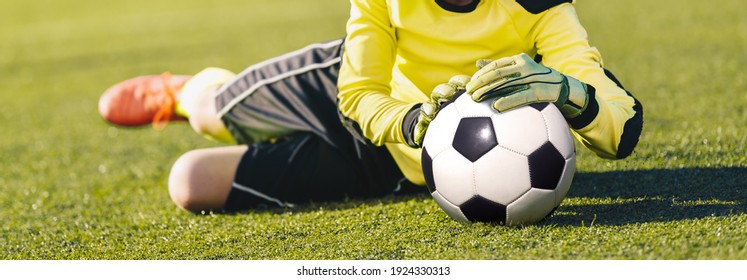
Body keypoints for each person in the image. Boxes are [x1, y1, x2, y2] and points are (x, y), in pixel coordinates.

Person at [99, 0, 643, 213]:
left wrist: (572, 94)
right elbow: (358, 95)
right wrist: (412, 122)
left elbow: (620, 127)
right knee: (212, 113)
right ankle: (183, 91)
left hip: (405, 167)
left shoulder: (541, 5)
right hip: (353, 101)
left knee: (190, 184)